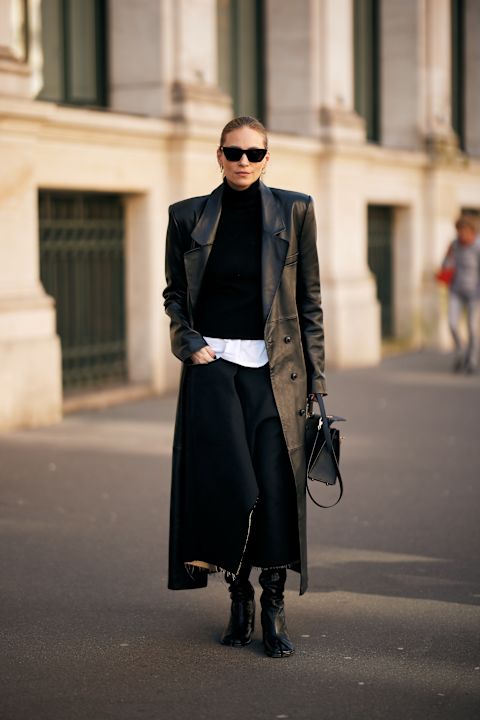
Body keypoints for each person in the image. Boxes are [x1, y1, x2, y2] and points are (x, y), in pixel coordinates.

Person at [163, 116, 326, 658]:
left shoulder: (295, 210)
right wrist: (190, 344)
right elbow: (174, 295)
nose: (243, 162)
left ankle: (273, 603)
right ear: (219, 156)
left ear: (267, 158)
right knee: (229, 487)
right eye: (234, 152)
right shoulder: (187, 216)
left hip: (277, 371)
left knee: (274, 487)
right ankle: (239, 598)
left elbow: (309, 301)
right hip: (214, 372)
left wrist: (317, 380)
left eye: (254, 153)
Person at [440, 214, 480, 374]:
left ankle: (472, 360)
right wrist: (448, 256)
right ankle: (459, 350)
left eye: (465, 231)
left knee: (472, 327)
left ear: (472, 232)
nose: (462, 235)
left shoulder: (477, 247)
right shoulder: (454, 245)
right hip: (455, 290)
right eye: (459, 231)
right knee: (452, 323)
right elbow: (445, 265)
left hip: (474, 293)